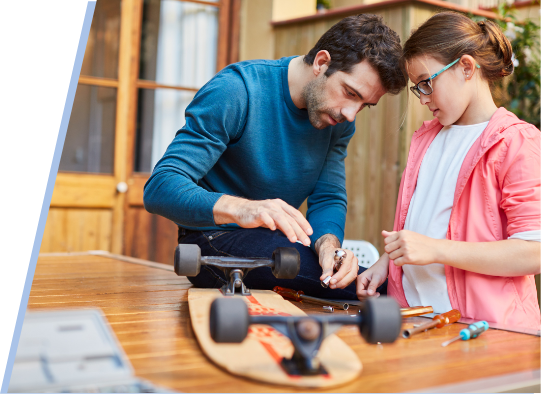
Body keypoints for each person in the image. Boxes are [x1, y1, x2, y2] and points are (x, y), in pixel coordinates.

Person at [143, 14, 407, 299]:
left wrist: (329, 247)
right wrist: (245, 210)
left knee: (365, 281)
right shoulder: (237, 90)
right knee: (382, 288)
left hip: (277, 243)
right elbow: (161, 186)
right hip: (211, 244)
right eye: (350, 93)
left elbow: (328, 196)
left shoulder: (339, 122)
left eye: (365, 105)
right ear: (321, 63)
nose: (350, 114)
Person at [357, 12, 541, 328]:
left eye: (427, 83)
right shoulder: (426, 138)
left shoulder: (516, 142)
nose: (423, 98)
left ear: (466, 67)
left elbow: (533, 251)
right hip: (415, 323)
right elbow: (426, 226)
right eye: (418, 88)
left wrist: (437, 250)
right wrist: (387, 262)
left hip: (486, 333)